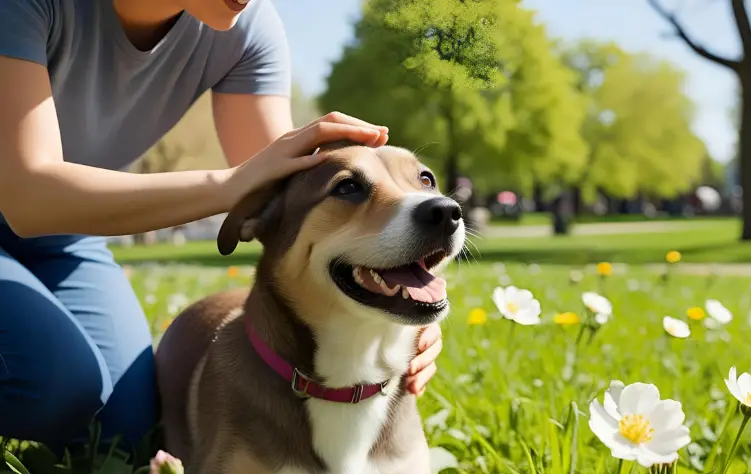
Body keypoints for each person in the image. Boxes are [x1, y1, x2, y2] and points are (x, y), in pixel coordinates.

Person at [0, 0, 444, 450]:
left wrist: (399, 298)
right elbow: (27, 197)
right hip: (36, 208)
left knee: (122, 431)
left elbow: (286, 207)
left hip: (66, 237)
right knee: (52, 384)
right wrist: (229, 186)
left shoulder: (246, 28)